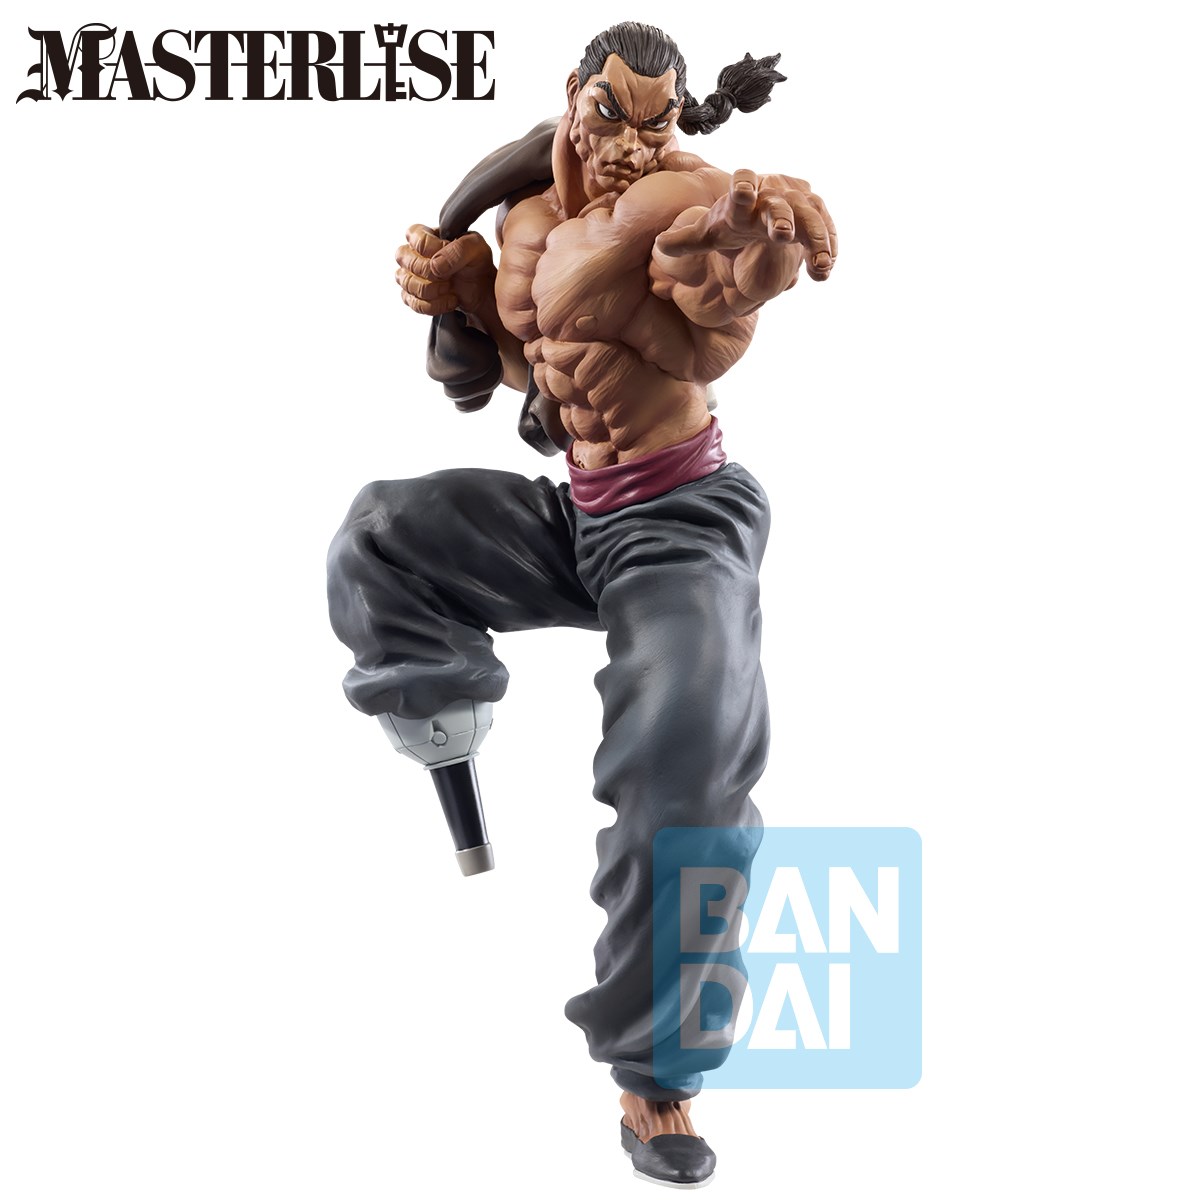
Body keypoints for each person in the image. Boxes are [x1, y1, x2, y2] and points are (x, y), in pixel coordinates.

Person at [328, 21, 836, 1187]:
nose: (632, 146)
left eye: (656, 123)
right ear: (573, 99)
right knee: (380, 536)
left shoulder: (682, 200)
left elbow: (711, 302)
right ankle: (447, 746)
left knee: (687, 752)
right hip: (581, 517)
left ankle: (659, 1074)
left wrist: (750, 256)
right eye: (612, 116)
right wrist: (458, 292)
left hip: (683, 523)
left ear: (679, 120)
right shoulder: (528, 220)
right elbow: (541, 369)